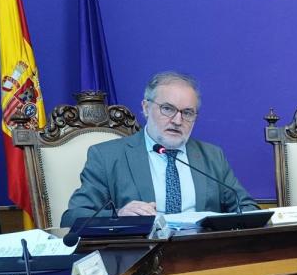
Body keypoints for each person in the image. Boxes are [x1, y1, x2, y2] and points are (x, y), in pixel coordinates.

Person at [61, 71, 258, 227]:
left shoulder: (212, 156)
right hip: (140, 261)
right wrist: (118, 215)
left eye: (187, 112)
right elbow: (73, 218)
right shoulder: (107, 157)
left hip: (202, 258)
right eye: (168, 109)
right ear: (146, 108)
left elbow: (247, 208)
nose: (177, 120)